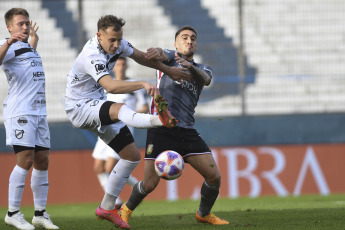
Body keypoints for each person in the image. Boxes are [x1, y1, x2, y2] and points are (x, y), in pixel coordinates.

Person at [65, 15, 191, 229]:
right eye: (111, 40)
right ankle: (160, 121)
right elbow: (111, 86)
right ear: (99, 36)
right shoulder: (92, 55)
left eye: (118, 40)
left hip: (97, 105)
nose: (116, 45)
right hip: (80, 107)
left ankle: (106, 207)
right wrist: (142, 83)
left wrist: (168, 70)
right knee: (120, 108)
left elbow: (141, 57)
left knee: (131, 156)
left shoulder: (119, 43)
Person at [119, 26, 229, 225]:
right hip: (161, 128)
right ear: (176, 44)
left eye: (193, 38)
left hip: (187, 131)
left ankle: (203, 214)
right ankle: (125, 210)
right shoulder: (169, 58)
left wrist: (190, 67)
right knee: (150, 184)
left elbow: (206, 80)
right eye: (184, 38)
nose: (189, 41)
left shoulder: (203, 68)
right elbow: (160, 54)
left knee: (214, 176)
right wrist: (156, 52)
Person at [0, 8, 59, 230]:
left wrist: (33, 42)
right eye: (20, 24)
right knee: (25, 159)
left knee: (42, 160)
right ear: (10, 27)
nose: (24, 27)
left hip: (39, 112)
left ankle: (40, 213)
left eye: (26, 23)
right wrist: (8, 42)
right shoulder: (7, 44)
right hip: (21, 112)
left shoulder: (25, 47)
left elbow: (24, 62)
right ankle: (13, 213)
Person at [92, 57, 148, 208]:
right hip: (105, 130)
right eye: (118, 64)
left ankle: (112, 202)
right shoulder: (107, 86)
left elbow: (145, 108)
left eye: (123, 63)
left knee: (110, 168)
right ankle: (134, 187)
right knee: (98, 167)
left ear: (127, 65)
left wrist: (127, 114)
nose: (121, 66)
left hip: (122, 131)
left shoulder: (134, 85)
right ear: (113, 67)